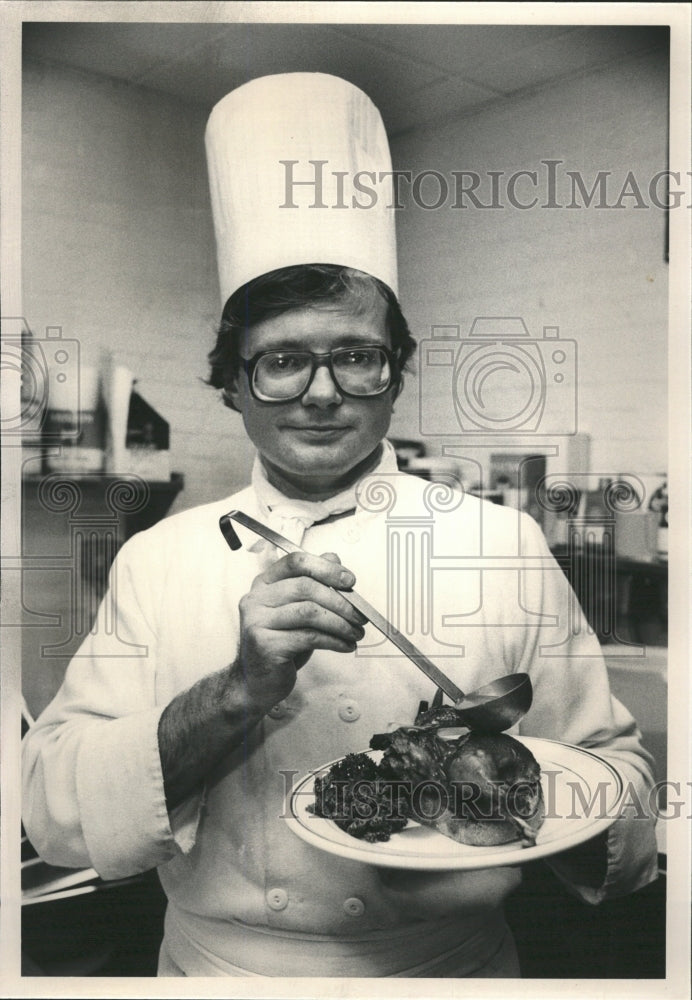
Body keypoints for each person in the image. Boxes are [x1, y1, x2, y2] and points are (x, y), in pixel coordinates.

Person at [22, 74, 658, 978]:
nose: (321, 393)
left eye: (355, 356)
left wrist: (523, 794)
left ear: (395, 372)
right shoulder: (155, 560)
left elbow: (616, 779)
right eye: (283, 360)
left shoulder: (502, 544)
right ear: (234, 384)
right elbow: (52, 807)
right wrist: (236, 692)